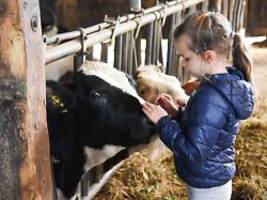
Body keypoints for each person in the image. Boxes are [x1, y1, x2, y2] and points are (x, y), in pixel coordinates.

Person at [142, 11, 254, 200]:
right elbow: (203, 129)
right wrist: (176, 113)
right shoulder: (218, 86)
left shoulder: (211, 96)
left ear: (208, 56)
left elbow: (193, 151)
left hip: (207, 187)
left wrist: (162, 122)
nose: (183, 64)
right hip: (210, 178)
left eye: (186, 58)